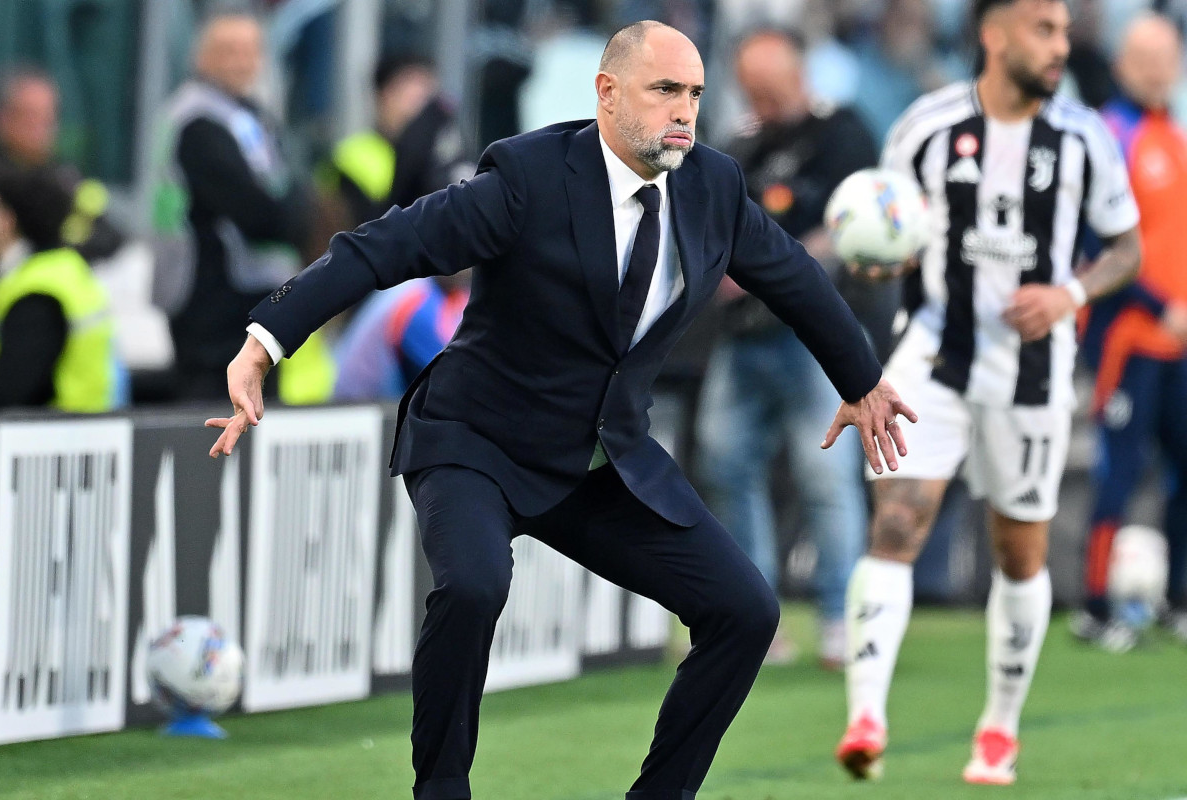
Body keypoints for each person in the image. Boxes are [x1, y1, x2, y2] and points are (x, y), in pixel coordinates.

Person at [209, 21, 914, 800]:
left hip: (598, 460)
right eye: (665, 90)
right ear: (607, 94)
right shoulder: (527, 175)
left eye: (695, 94)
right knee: (473, 586)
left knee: (745, 611)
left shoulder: (712, 184)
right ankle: (440, 790)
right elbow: (387, 246)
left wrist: (861, 378)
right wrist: (265, 341)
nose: (685, 111)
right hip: (475, 441)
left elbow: (791, 276)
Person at [835, 0, 1141, 786]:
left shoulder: (1084, 139)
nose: (1059, 46)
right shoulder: (925, 127)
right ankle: (865, 715)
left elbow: (1126, 248)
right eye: (1044, 29)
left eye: (1065, 32)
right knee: (898, 519)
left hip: (1032, 370)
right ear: (993, 34)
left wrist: (1069, 294)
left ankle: (999, 728)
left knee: (1020, 550)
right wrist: (877, 260)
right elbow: (889, 224)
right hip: (935, 350)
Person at [694, 29, 879, 669]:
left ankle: (841, 618)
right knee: (726, 467)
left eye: (771, 85)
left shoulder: (843, 134)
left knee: (825, 475)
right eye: (752, 87)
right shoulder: (741, 145)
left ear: (798, 73)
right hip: (743, 335)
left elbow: (856, 228)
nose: (762, 98)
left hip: (813, 336)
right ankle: (757, 619)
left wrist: (770, 267)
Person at [1072, 13, 1187, 651]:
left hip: (1177, 339)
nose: (1157, 69)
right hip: (1128, 333)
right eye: (1145, 57)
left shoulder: (1173, 133)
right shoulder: (1111, 133)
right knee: (1118, 470)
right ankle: (1094, 607)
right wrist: (1158, 299)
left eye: (1166, 56)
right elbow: (1096, 241)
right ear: (1122, 63)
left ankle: (1176, 598)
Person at [157, 11, 322, 402]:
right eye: (228, 51)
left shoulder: (246, 114)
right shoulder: (199, 121)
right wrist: (298, 214)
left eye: (251, 51)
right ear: (202, 58)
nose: (242, 62)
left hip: (243, 292)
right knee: (214, 416)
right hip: (210, 298)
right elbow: (263, 213)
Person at [0, 164, 120, 411]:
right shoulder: (55, 268)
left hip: (47, 437)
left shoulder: (37, 293)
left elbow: (11, 391)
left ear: (8, 220)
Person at [320, 54, 473, 232]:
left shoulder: (441, 155)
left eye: (426, 100)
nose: (419, 115)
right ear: (382, 96)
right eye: (409, 98)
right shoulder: (354, 155)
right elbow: (363, 229)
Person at [0, 67, 123, 263]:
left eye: (48, 116)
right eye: (30, 115)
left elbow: (110, 238)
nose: (42, 127)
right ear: (4, 118)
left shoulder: (65, 177)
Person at [332, 274, 469, 401]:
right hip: (358, 411)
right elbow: (455, 377)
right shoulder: (415, 300)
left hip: (386, 406)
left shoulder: (447, 291)